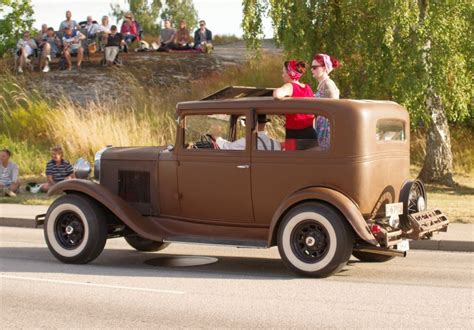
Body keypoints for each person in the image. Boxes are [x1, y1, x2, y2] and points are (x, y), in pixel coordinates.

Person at [273, 60, 316, 150]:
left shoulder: (290, 86)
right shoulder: (307, 88)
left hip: (295, 136)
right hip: (311, 133)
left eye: (283, 72)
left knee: (292, 163)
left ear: (290, 74)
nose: (282, 75)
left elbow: (277, 94)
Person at [312, 53, 341, 148]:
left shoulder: (328, 84)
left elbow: (335, 108)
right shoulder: (323, 84)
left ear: (324, 68)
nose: (312, 69)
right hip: (322, 127)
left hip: (327, 131)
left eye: (315, 67)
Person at [209, 115, 281, 151]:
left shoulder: (247, 142)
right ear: (265, 124)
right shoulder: (275, 143)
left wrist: (216, 138)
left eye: (246, 122)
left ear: (250, 123)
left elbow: (227, 147)